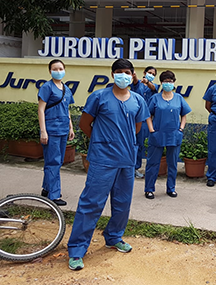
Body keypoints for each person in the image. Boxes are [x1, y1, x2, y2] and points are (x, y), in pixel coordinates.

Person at [67, 58, 150, 271]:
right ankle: (77, 249)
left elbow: (137, 128)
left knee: (122, 203)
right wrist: (102, 141)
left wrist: (122, 144)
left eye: (127, 72)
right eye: (119, 71)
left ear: (132, 75)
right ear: (113, 74)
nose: (123, 75)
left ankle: (114, 237)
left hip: (126, 159)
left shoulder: (138, 100)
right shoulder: (99, 97)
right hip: (102, 159)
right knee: (91, 203)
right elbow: (85, 124)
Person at [144, 70, 191, 199]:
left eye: (170, 81)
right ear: (161, 82)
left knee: (173, 163)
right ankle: (149, 189)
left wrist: (180, 129)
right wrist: (152, 130)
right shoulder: (155, 98)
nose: (167, 83)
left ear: (174, 82)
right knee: (153, 163)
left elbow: (184, 115)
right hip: (158, 134)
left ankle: (171, 188)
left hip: (174, 135)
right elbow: (148, 115)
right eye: (165, 81)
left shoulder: (179, 98)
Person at [37, 59, 75, 206]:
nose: (58, 71)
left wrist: (71, 127)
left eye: (60, 68)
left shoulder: (66, 89)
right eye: (55, 69)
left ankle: (47, 188)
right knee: (53, 161)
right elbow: (41, 109)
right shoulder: (47, 87)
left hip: (63, 129)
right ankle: (54, 195)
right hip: (51, 130)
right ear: (50, 71)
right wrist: (43, 131)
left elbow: (67, 110)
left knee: (56, 161)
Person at [131, 66, 158, 179]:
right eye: (149, 72)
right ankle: (129, 167)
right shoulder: (137, 84)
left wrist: (148, 81)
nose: (151, 74)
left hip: (145, 119)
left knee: (140, 144)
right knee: (132, 142)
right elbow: (135, 81)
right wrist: (135, 75)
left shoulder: (154, 86)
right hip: (133, 117)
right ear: (144, 72)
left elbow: (153, 88)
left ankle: (135, 168)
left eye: (153, 74)